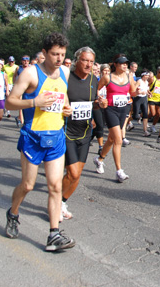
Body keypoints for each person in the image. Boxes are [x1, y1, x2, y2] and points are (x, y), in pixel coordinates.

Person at [4, 32, 75, 252]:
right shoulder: (30, 74)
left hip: (55, 137)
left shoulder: (65, 71)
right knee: (28, 185)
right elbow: (9, 102)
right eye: (54, 54)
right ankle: (13, 213)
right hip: (33, 137)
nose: (59, 58)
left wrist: (67, 109)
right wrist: (35, 101)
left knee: (55, 186)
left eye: (62, 54)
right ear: (44, 54)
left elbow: (63, 96)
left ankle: (53, 234)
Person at [61, 47, 99, 221]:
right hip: (67, 131)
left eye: (91, 61)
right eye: (84, 60)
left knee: (76, 174)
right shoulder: (66, 78)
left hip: (85, 132)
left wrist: (100, 104)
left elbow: (93, 104)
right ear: (77, 61)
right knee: (73, 173)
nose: (88, 64)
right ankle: (55, 202)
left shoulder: (93, 80)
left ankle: (61, 201)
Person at [94, 54, 136, 182]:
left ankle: (99, 158)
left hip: (123, 109)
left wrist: (136, 87)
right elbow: (96, 89)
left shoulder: (129, 76)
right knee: (118, 139)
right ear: (116, 65)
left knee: (112, 139)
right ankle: (119, 171)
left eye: (126, 63)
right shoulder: (108, 77)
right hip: (110, 110)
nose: (125, 65)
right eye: (122, 63)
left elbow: (133, 92)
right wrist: (100, 98)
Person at [133, 71, 151, 137]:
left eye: (148, 76)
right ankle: (128, 123)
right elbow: (133, 89)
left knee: (146, 114)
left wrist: (149, 93)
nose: (148, 77)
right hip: (138, 98)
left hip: (144, 99)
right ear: (143, 75)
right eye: (147, 75)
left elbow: (146, 90)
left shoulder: (146, 82)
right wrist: (139, 92)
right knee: (135, 115)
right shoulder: (139, 81)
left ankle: (145, 130)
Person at [147, 66, 160, 134]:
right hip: (152, 98)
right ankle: (145, 118)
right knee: (153, 113)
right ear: (157, 72)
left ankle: (153, 126)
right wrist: (148, 92)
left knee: (158, 114)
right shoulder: (152, 79)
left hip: (159, 99)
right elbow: (146, 86)